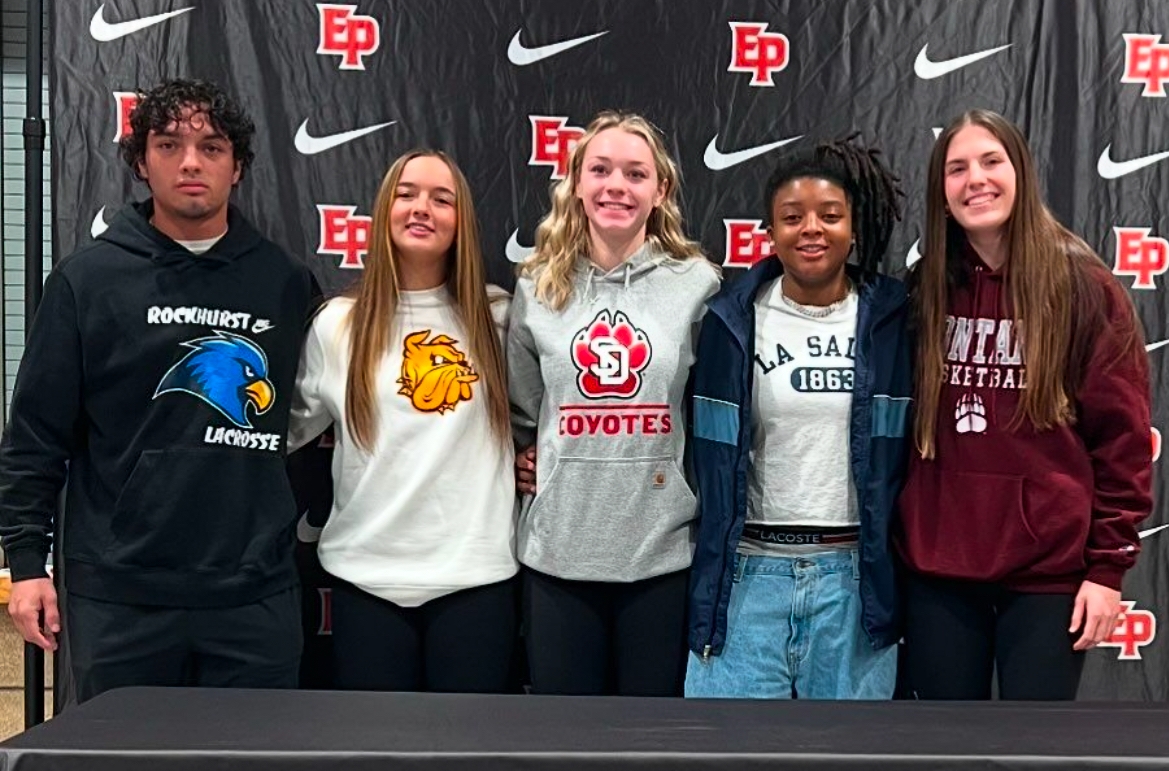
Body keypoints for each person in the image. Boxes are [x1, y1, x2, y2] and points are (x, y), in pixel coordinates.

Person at [0, 78, 318, 701]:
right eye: (169, 145)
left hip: (252, 595)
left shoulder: (283, 282)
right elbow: (35, 437)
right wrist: (28, 566)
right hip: (120, 598)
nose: (191, 162)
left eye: (212, 146)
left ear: (239, 166)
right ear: (142, 162)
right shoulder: (86, 280)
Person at [897, 109, 1153, 700]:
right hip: (938, 571)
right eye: (957, 169)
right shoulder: (926, 287)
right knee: (942, 752)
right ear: (941, 190)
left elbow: (1123, 440)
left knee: (1035, 752)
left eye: (991, 162)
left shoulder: (1082, 286)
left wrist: (1107, 571)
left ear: (1022, 172)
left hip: (1048, 577)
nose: (975, 181)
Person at [684, 136, 910, 699]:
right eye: (792, 217)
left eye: (830, 216)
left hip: (854, 581)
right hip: (747, 577)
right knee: (722, 755)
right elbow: (702, 455)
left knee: (850, 760)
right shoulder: (728, 321)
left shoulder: (893, 320)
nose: (812, 228)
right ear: (770, 231)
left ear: (854, 228)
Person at [289, 149, 518, 693]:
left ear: (461, 220)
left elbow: (549, 415)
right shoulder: (337, 325)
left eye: (442, 199)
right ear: (383, 209)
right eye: (407, 193)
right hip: (366, 578)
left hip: (475, 577)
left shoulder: (499, 317)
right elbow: (282, 432)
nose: (423, 208)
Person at [508, 111, 719, 696]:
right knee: (563, 746)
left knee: (650, 745)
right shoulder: (537, 286)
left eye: (635, 173)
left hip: (661, 555)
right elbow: (527, 411)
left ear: (661, 190)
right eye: (600, 170)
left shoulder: (697, 284)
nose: (616, 187)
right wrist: (536, 457)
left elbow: (710, 411)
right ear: (576, 183)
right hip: (558, 553)